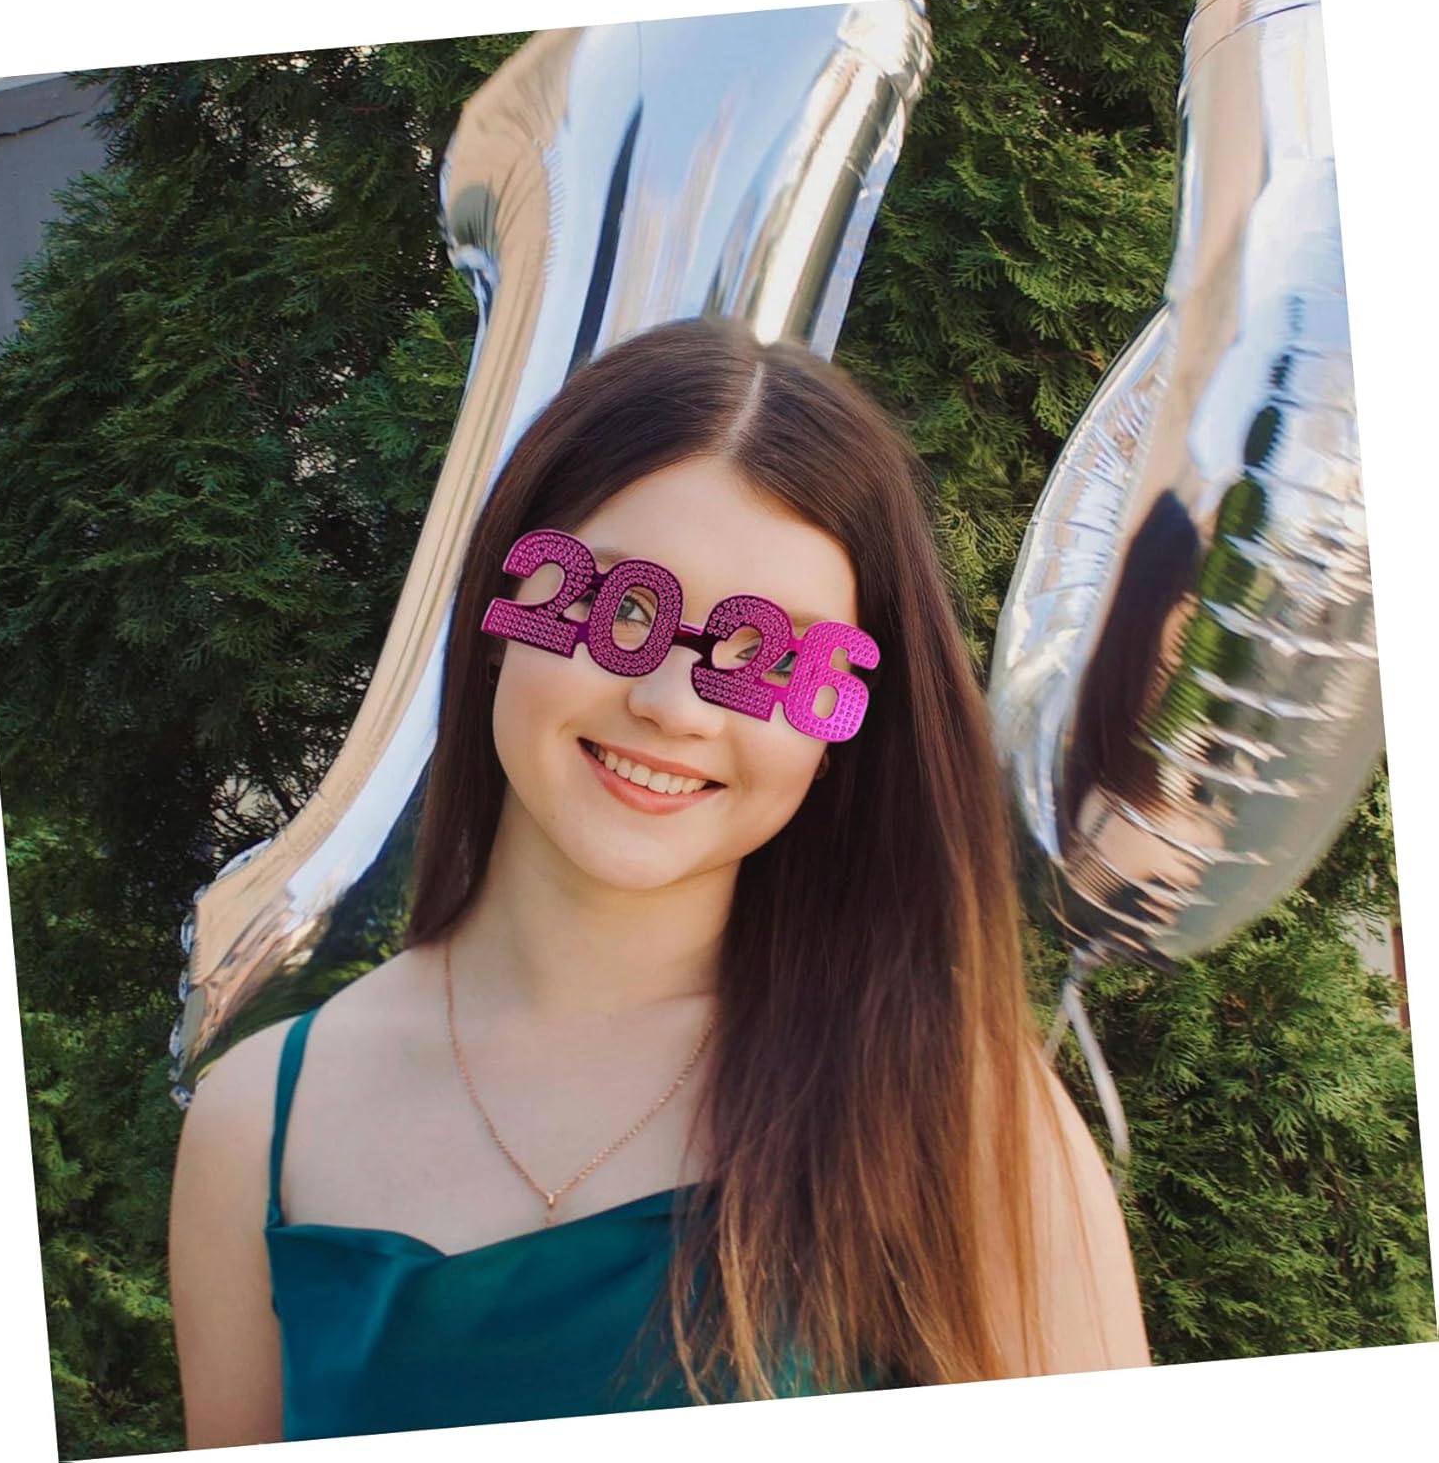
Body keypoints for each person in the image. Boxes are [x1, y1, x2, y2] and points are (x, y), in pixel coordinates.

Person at [169, 317, 1151, 1449]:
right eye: (624, 610)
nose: (675, 707)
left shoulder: (960, 1111)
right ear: (501, 614)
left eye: (768, 655)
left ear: (837, 732)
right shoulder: (259, 1129)